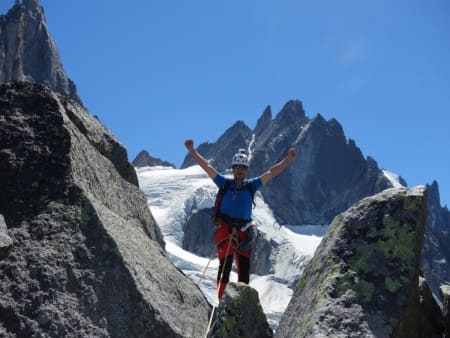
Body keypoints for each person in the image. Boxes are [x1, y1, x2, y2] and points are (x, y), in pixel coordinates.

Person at [184, 139, 297, 301]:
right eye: (237, 167)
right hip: (226, 229)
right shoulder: (225, 183)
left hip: (244, 232)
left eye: (242, 168)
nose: (239, 171)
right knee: (225, 266)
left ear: (246, 170)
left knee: (243, 271)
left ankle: (240, 304)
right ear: (233, 168)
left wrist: (288, 160)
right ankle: (222, 301)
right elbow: (207, 168)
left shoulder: (251, 185)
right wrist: (192, 151)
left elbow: (271, 172)